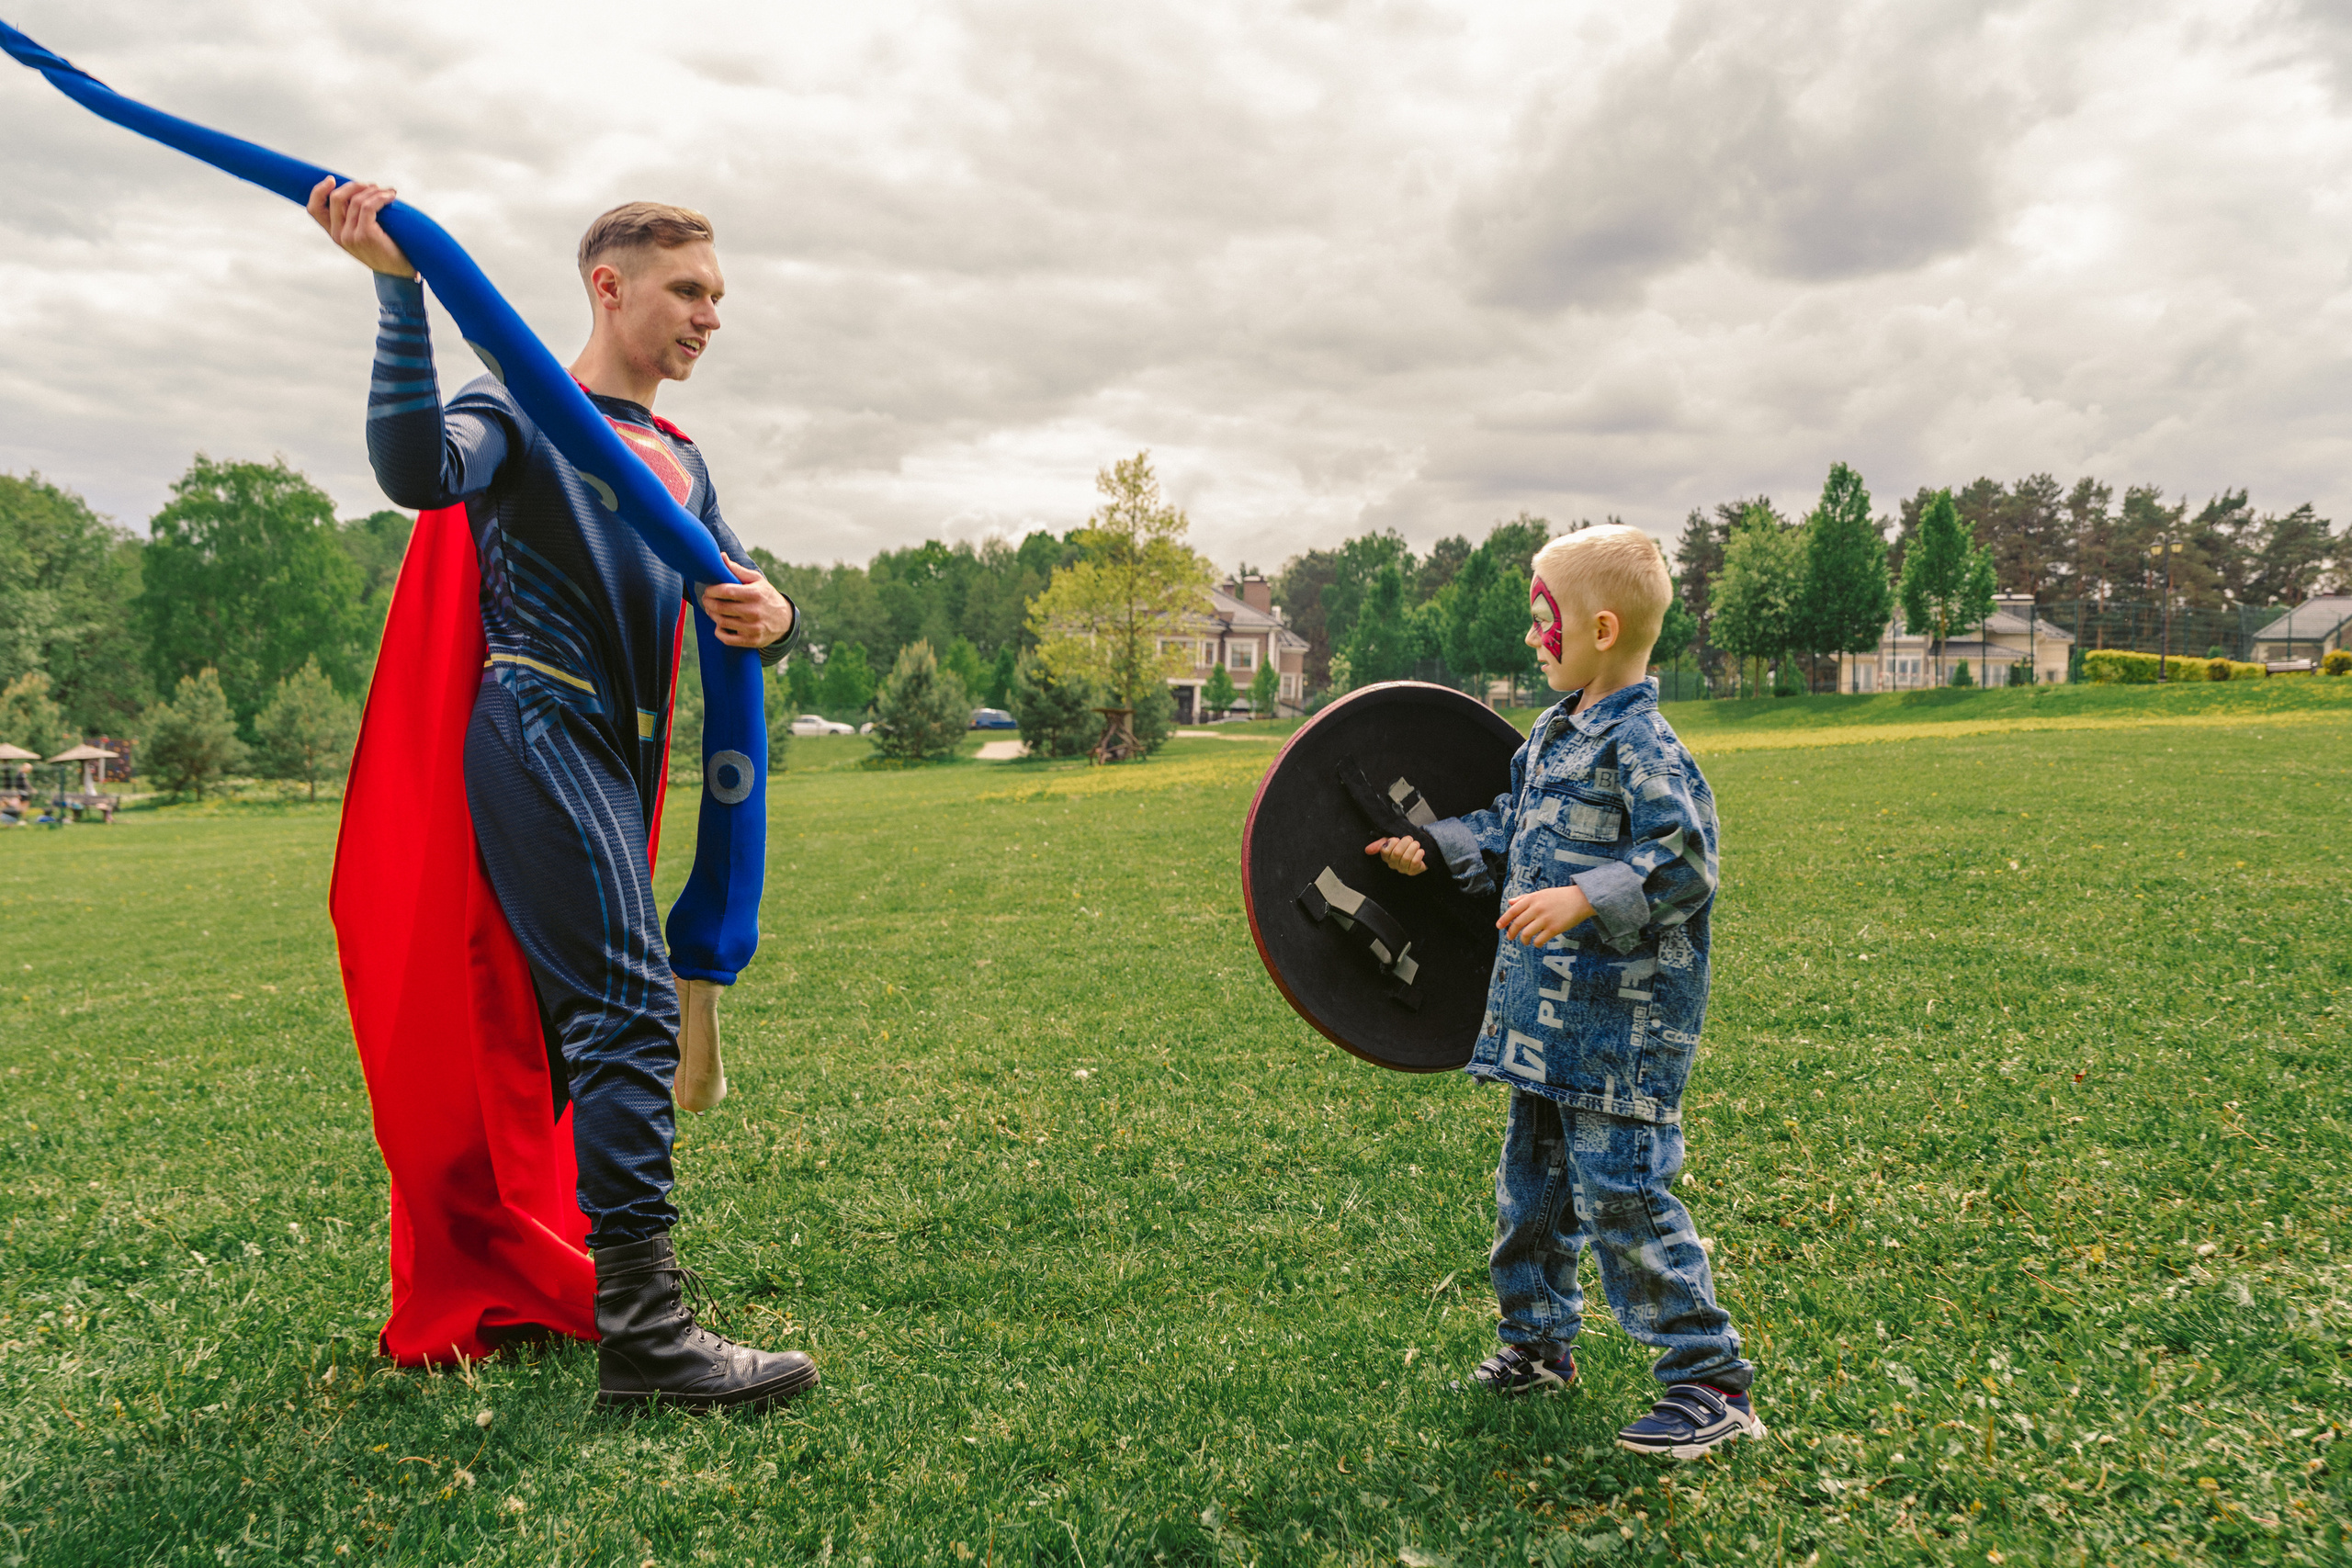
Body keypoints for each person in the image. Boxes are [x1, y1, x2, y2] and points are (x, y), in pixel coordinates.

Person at [310, 177, 817, 1411]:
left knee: (574, 1027)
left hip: (617, 746)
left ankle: (595, 1289)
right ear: (611, 286)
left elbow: (734, 590)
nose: (709, 315)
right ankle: (649, 1336)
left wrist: (781, 614)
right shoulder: (522, 409)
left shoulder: (681, 461)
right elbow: (417, 468)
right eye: (688, 290)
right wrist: (396, 288)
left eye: (717, 294)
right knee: (629, 1007)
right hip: (533, 718)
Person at [1364, 524, 1758, 1459]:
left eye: (1544, 622)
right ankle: (1537, 1346)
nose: (1533, 639)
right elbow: (1514, 822)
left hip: (1619, 1028)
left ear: (1604, 628)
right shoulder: (1552, 734)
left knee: (1625, 1194)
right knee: (1531, 1195)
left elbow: (1683, 864)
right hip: (1544, 1018)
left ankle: (1709, 1381)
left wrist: (1587, 895)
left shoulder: (1646, 749)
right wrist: (1443, 848)